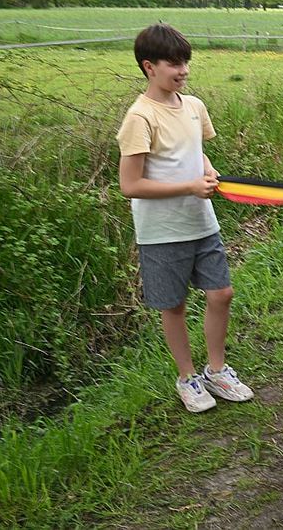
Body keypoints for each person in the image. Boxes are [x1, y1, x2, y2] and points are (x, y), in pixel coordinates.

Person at [117, 24, 253, 413]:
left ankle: (217, 370)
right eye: (174, 63)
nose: (183, 71)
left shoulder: (194, 107)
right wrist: (189, 187)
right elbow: (130, 184)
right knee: (173, 306)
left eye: (186, 62)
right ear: (149, 67)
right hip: (162, 231)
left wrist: (208, 174)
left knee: (221, 294)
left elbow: (197, 155)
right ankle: (187, 377)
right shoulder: (140, 118)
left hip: (202, 222)